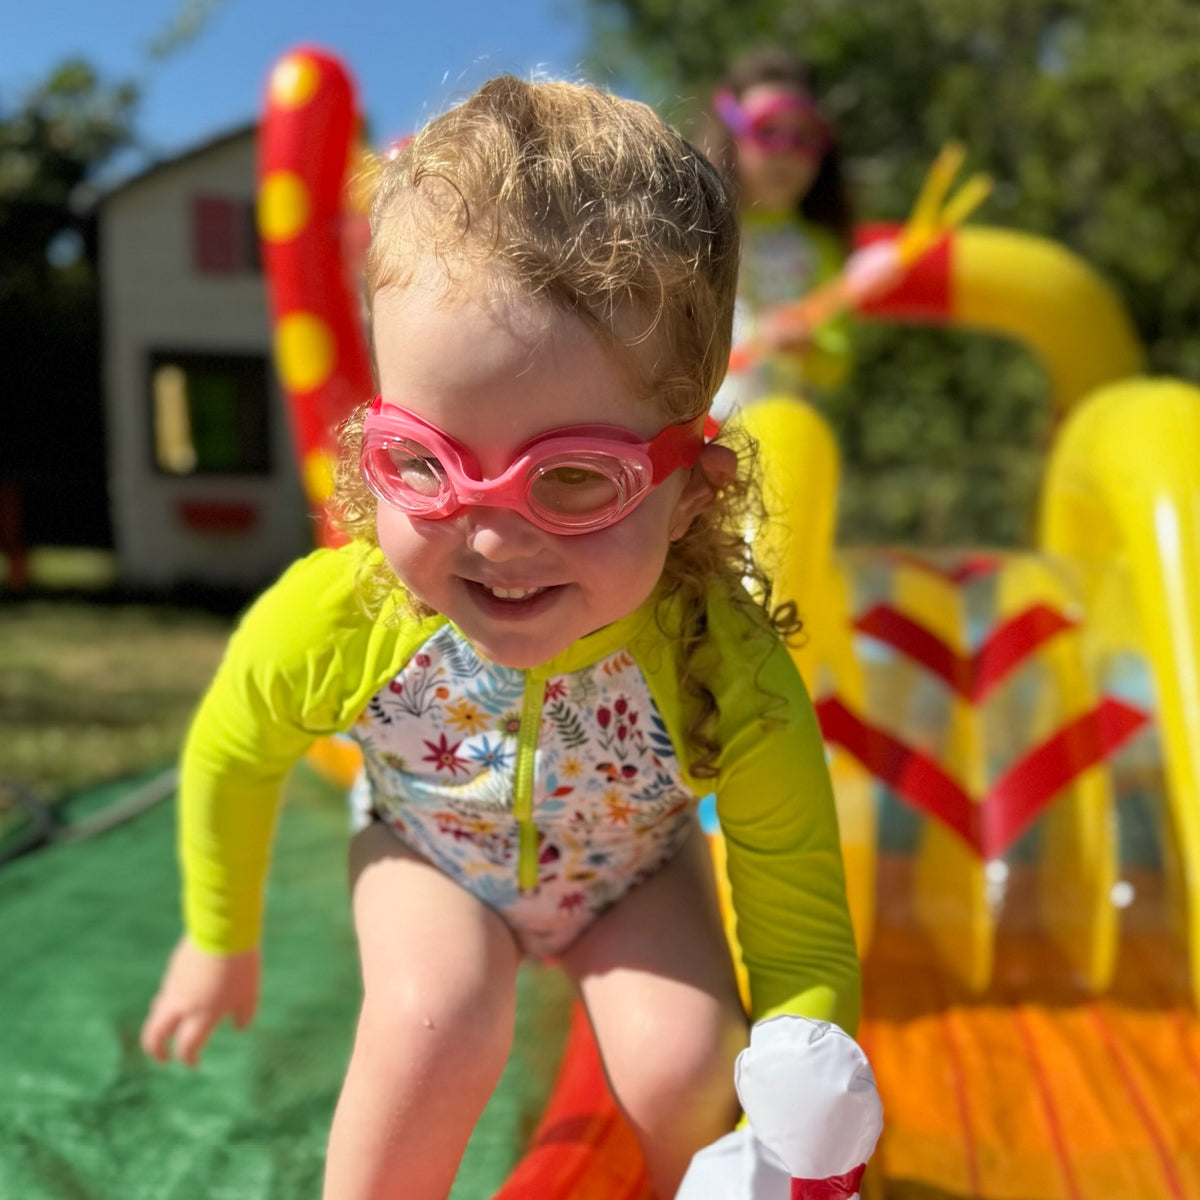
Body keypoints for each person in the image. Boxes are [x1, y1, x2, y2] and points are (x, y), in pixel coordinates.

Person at [140, 74, 860, 1200]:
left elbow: (797, 906)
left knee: (686, 1066)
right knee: (435, 1023)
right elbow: (236, 745)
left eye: (572, 479)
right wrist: (217, 935)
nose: (490, 535)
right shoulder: (350, 612)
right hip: (435, 859)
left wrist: (811, 1072)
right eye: (424, 464)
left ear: (690, 493)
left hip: (633, 876)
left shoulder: (722, 663)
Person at [703, 48, 857, 420]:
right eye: (768, 130)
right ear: (730, 132)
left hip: (777, 439)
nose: (787, 151)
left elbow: (837, 365)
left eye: (805, 135)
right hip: (695, 440)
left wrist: (808, 348)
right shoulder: (696, 232)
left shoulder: (819, 247)